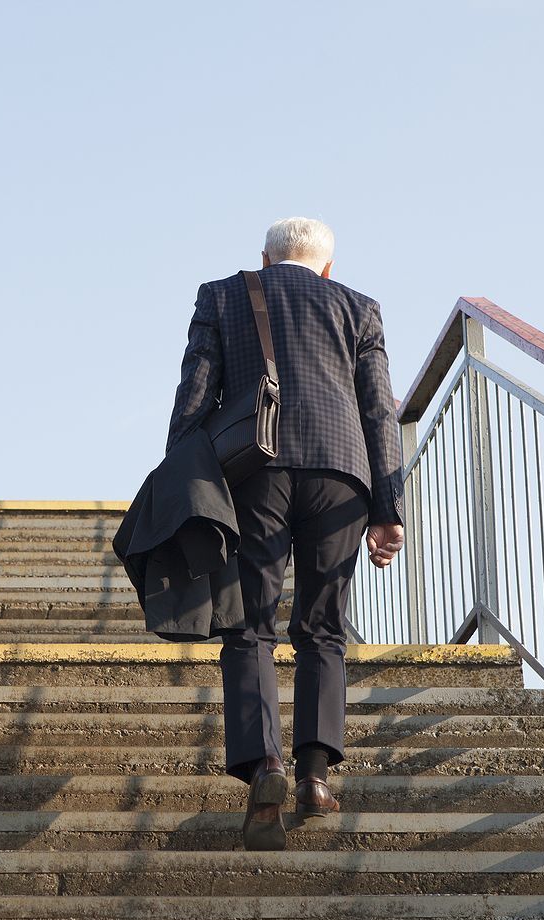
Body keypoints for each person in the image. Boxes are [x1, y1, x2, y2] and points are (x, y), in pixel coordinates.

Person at [166, 217, 406, 851]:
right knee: (323, 626)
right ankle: (315, 777)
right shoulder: (359, 308)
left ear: (265, 260)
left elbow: (195, 395)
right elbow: (379, 411)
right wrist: (388, 506)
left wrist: (180, 485)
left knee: (250, 625)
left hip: (255, 471)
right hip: (341, 476)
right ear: (326, 268)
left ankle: (264, 765)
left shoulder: (223, 295)